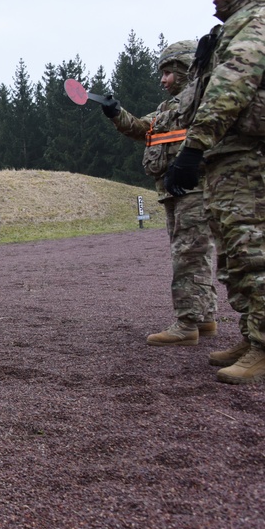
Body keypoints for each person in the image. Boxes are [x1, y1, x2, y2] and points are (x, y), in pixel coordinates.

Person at [164, 0, 265, 383]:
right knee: (236, 255)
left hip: (248, 155)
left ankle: (264, 344)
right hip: (230, 155)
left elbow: (232, 85)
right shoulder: (234, 27)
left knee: (252, 252)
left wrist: (193, 148)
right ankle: (254, 333)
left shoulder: (255, 20)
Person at [102, 41, 218, 346]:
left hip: (195, 188)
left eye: (168, 72)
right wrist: (116, 113)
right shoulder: (169, 109)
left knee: (188, 255)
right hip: (173, 192)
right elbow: (142, 128)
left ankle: (186, 324)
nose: (162, 79)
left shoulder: (198, 102)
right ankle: (203, 319)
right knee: (194, 253)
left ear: (183, 71)